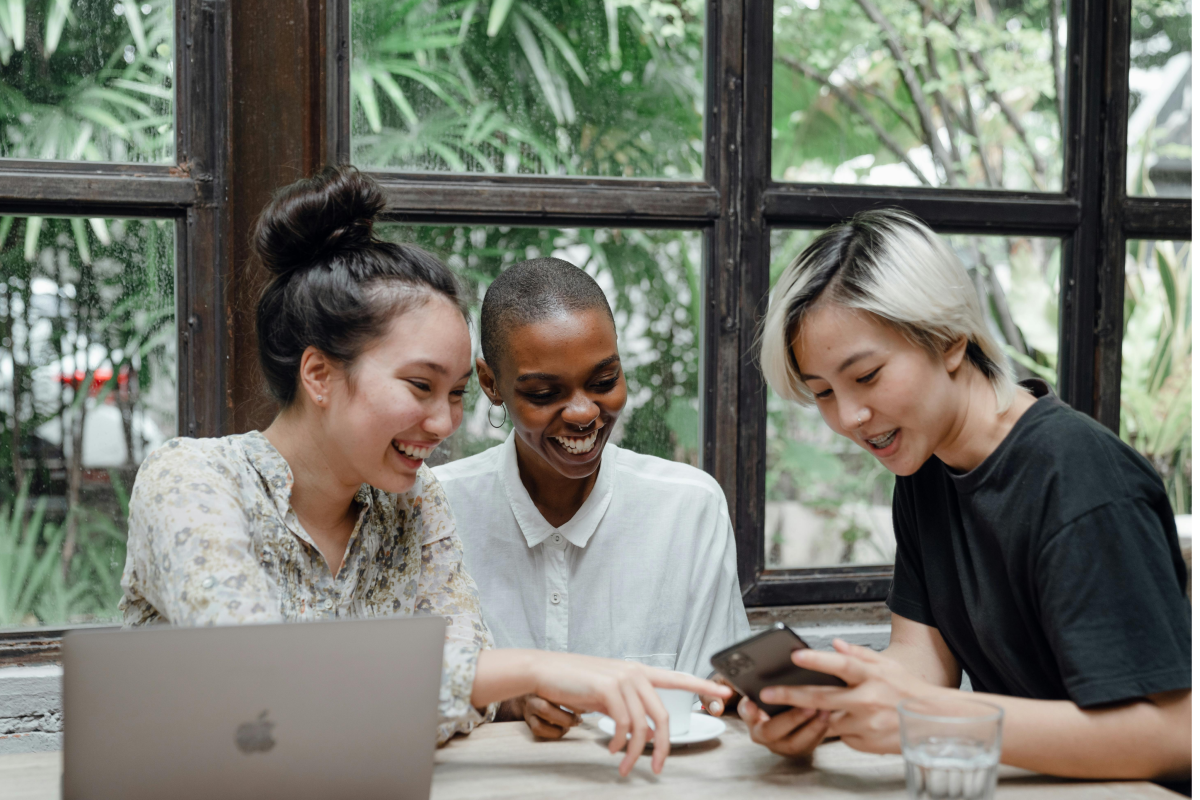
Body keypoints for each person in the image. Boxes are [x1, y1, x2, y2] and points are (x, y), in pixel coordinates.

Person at [119, 166, 729, 777]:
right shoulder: (192, 480)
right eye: (420, 386)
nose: (444, 424)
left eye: (457, 393)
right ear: (319, 375)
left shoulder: (413, 503)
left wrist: (464, 688)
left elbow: (467, 701)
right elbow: (259, 685)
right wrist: (535, 669)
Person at [748, 209, 1191, 787]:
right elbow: (922, 660)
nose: (849, 417)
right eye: (823, 393)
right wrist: (829, 707)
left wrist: (925, 716)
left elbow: (1176, 735)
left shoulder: (1082, 477)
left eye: (868, 376)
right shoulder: (924, 468)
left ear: (950, 340)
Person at [432, 257, 750, 740]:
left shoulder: (688, 509)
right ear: (490, 383)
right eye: (543, 392)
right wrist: (512, 697)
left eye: (604, 382)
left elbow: (717, 697)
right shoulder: (437, 510)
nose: (583, 412)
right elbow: (401, 691)